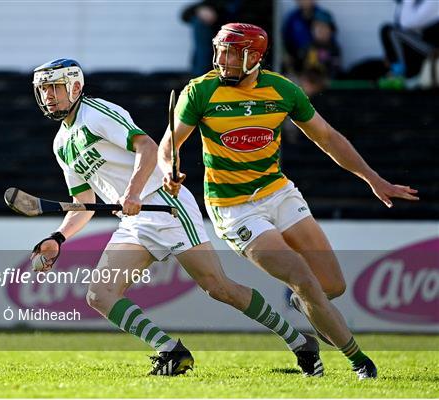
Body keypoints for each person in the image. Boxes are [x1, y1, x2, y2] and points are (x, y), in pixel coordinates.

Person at [30, 58, 324, 377]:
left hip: (165, 205)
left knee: (218, 287)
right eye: (43, 89)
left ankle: (298, 341)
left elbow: (146, 146)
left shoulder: (97, 113)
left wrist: (131, 193)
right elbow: (83, 202)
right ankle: (171, 352)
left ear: (74, 86)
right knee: (99, 295)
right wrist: (58, 238)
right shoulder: (62, 144)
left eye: (54, 87)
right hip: (135, 220)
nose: (48, 96)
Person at [158, 23, 420, 380]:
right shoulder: (201, 92)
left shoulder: (282, 90)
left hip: (280, 193)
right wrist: (168, 172)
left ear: (254, 57)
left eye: (231, 52)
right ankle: (359, 361)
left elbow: (327, 137)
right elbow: (168, 144)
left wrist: (373, 179)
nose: (221, 59)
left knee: (332, 286)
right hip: (234, 209)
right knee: (303, 277)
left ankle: (303, 303)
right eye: (219, 50)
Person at [380, 0, 439, 81]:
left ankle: (402, 74)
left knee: (390, 32)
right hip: (422, 44)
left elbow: (406, 24)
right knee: (389, 32)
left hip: (433, 51)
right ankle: (397, 70)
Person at [282, 0, 338, 77]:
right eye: (317, 28)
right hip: (302, 74)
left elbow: (333, 70)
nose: (320, 31)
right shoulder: (292, 18)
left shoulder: (322, 15)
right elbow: (286, 40)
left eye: (323, 28)